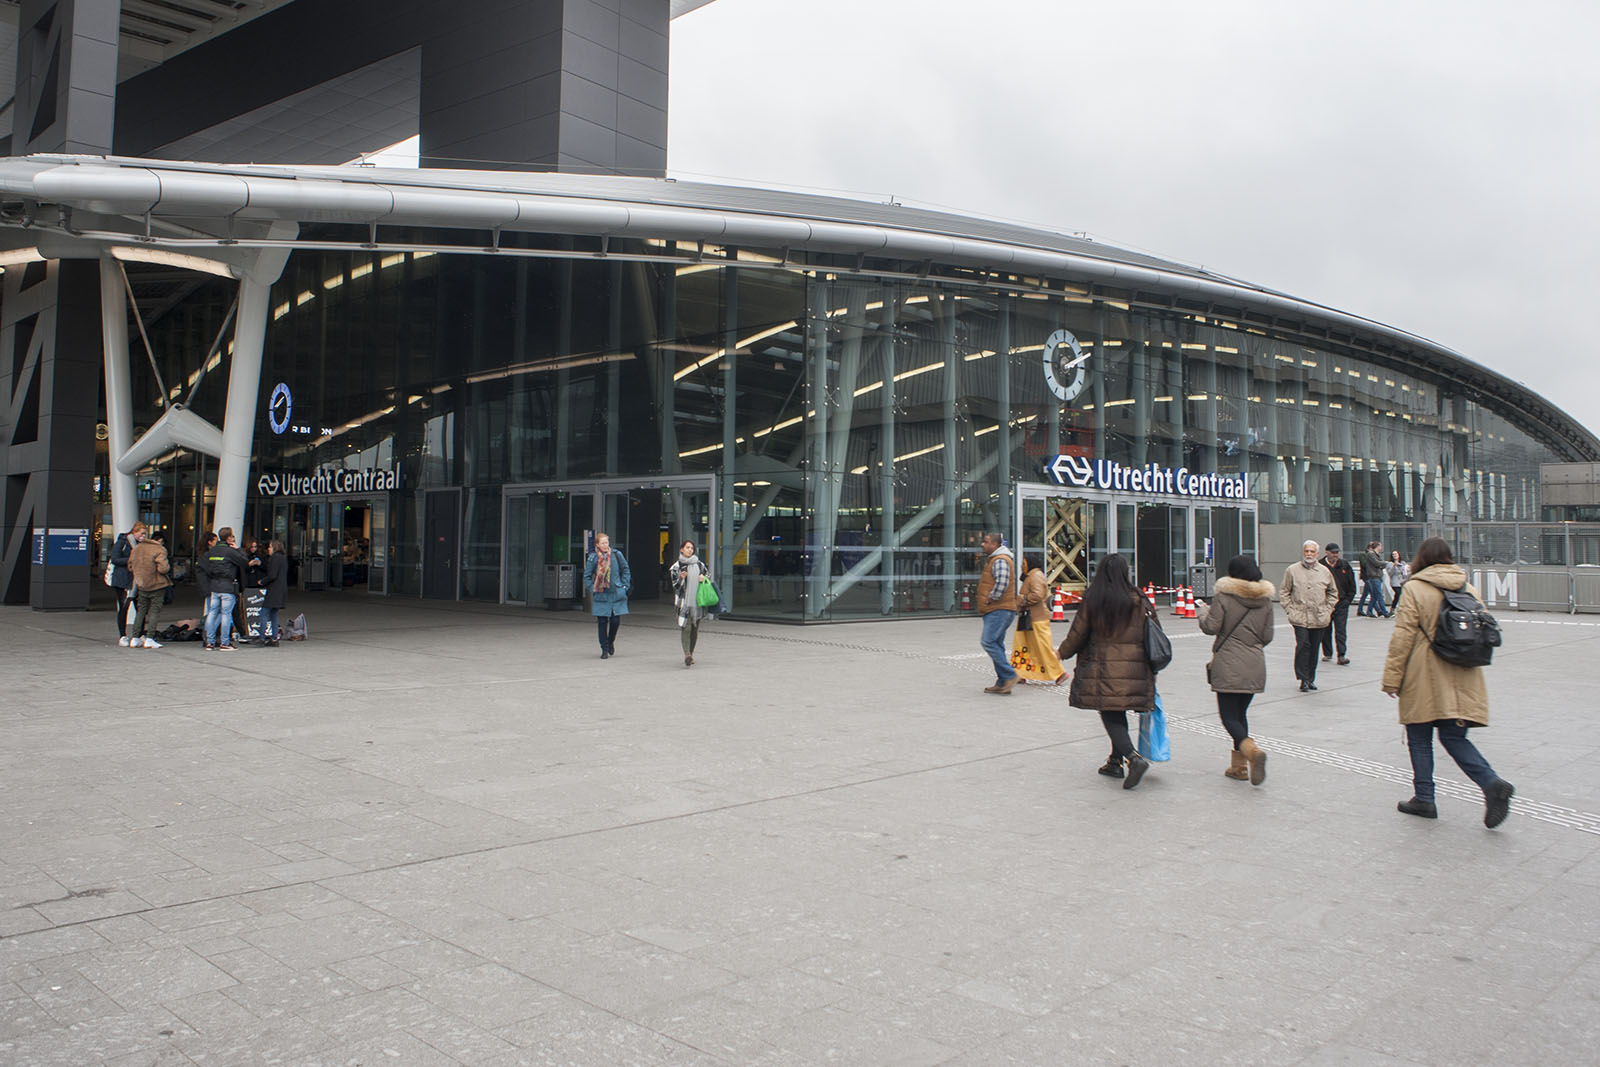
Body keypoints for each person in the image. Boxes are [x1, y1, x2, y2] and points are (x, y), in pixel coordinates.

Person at [1381, 536, 1515, 827]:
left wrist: (1392, 679)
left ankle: (1425, 799)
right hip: (1463, 673)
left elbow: (1402, 637)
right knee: (1454, 737)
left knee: (1419, 738)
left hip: (1423, 674)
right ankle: (1490, 782)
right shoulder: (1467, 587)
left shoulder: (1414, 588)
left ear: (1421, 559)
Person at [1056, 553, 1156, 789]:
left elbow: (1078, 633)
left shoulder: (1095, 599)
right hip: (1134, 667)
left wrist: (1062, 653)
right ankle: (1114, 761)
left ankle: (1132, 758)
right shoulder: (1139, 598)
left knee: (1110, 712)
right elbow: (1154, 631)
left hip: (1103, 667)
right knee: (1117, 711)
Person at [1196, 555, 1275, 784]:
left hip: (1229, 663)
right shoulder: (1266, 601)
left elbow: (1211, 627)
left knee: (1229, 716)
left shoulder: (1224, 596)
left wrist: (1202, 612)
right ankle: (1238, 768)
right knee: (1240, 715)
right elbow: (1267, 636)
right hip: (1255, 663)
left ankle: (1251, 751)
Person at [1281, 539, 1338, 692]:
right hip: (1299, 617)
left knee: (1314, 648)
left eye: (1312, 551)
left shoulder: (1324, 571)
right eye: (1307, 551)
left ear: (1317, 553)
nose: (1309, 554)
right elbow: (1284, 591)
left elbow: (1333, 592)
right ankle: (1302, 678)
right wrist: (1289, 608)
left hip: (1319, 617)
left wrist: (1328, 609)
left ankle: (1310, 678)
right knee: (1303, 645)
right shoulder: (1292, 570)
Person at [1010, 554, 1066, 685]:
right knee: (1024, 646)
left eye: (1024, 563)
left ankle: (1059, 673)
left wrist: (1022, 599)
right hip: (1029, 617)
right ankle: (1020, 673)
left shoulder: (1035, 576)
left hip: (1036, 618)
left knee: (1042, 647)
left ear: (1030, 563)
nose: (1022, 565)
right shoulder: (1032, 576)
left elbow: (1038, 595)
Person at [975, 531, 1020, 695]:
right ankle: (1002, 682)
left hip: (999, 609)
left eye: (986, 541)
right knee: (997, 644)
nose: (982, 544)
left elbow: (1002, 582)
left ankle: (1010, 675)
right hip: (999, 609)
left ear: (995, 545)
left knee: (988, 642)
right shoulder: (995, 559)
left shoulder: (1000, 560)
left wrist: (990, 598)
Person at [198, 527, 248, 651]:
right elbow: (244, 562)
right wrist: (239, 549)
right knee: (226, 614)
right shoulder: (230, 551)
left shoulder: (212, 551)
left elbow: (208, 569)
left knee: (212, 613)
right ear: (229, 538)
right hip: (227, 586)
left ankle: (210, 642)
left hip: (214, 586)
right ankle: (225, 642)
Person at [583, 531, 631, 659]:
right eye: (603, 543)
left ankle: (610, 642)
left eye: (607, 542)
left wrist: (624, 586)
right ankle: (604, 648)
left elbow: (625, 569)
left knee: (615, 621)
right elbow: (587, 576)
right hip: (601, 594)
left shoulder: (616, 555)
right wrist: (592, 588)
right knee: (602, 622)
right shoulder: (593, 558)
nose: (605, 545)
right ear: (597, 544)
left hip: (616, 593)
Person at [669, 539, 711, 667]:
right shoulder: (676, 567)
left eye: (691, 548)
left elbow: (708, 576)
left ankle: (691, 653)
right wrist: (681, 578)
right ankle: (687, 654)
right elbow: (675, 586)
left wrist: (703, 578)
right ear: (681, 549)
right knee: (686, 628)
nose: (690, 550)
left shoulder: (699, 564)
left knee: (694, 629)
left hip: (697, 602)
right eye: (687, 548)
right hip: (684, 603)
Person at [127, 528, 171, 649]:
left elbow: (130, 566)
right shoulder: (159, 549)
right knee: (154, 611)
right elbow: (163, 568)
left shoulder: (137, 548)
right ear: (160, 540)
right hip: (157, 584)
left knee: (141, 611)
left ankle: (135, 637)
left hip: (142, 584)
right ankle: (150, 638)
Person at [1319, 543, 1356, 666]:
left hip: (1341, 603)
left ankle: (1341, 655)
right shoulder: (1320, 566)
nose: (1335, 555)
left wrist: (1347, 600)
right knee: (1325, 629)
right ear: (1327, 552)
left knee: (1341, 629)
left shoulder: (1344, 565)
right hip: (1325, 603)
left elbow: (1352, 584)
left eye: (1336, 552)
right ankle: (1327, 652)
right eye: (1333, 552)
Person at [109, 521, 143, 646]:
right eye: (141, 533)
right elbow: (115, 559)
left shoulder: (141, 544)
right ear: (134, 532)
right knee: (124, 607)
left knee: (141, 607)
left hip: (137, 579)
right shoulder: (122, 542)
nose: (143, 536)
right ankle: (122, 635)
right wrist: (131, 560)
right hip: (123, 579)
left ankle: (140, 633)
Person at [261, 539, 288, 647]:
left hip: (273, 589)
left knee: (263, 613)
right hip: (281, 589)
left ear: (274, 548)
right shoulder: (283, 558)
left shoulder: (274, 558)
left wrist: (262, 581)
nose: (268, 549)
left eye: (270, 547)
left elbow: (272, 575)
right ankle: (274, 638)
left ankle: (262, 637)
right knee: (274, 614)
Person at [1358, 540, 1391, 617]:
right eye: (1380, 546)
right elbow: (1377, 563)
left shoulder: (1376, 555)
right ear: (1377, 546)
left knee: (1374, 595)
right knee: (1379, 595)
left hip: (1376, 576)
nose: (1381, 547)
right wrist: (1386, 563)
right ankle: (1384, 612)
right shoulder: (1371, 554)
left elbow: (1379, 563)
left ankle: (1369, 611)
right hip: (1373, 576)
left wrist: (1381, 564)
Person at [1385, 549, 1410, 613]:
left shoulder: (1403, 563)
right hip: (1395, 582)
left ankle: (1398, 608)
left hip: (1402, 581)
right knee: (1398, 594)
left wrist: (1407, 568)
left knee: (1400, 595)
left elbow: (1405, 572)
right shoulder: (1390, 563)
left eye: (1396, 554)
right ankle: (1394, 608)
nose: (1395, 555)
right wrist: (1394, 566)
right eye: (1393, 554)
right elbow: (1390, 573)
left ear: (1399, 555)